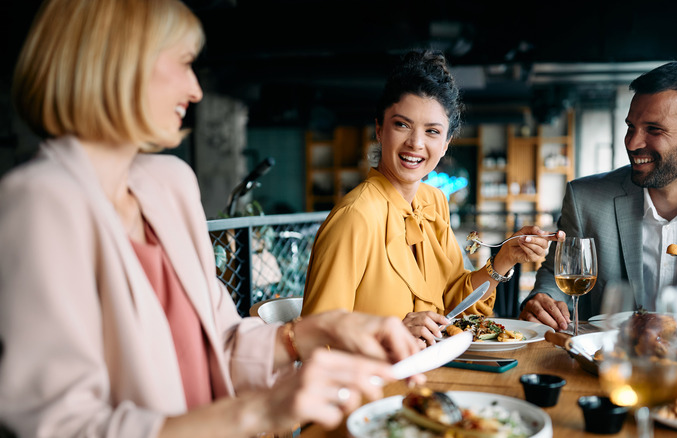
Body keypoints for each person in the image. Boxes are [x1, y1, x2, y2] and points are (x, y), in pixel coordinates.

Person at [0, 1, 424, 437]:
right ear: (118, 64)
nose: (196, 90)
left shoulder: (170, 184)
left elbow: (220, 344)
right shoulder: (39, 201)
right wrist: (257, 413)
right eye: (185, 63)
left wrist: (316, 330)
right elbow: (60, 427)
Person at [301, 49, 562, 346]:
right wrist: (390, 333)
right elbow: (312, 338)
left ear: (446, 143)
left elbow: (455, 305)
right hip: (374, 386)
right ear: (379, 129)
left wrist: (504, 259)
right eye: (402, 125)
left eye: (432, 131)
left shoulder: (433, 201)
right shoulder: (355, 218)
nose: (415, 143)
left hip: (434, 373)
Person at [519, 59, 677, 331]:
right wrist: (544, 299)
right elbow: (556, 276)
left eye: (653, 130)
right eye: (631, 127)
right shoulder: (585, 198)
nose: (632, 143)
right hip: (609, 363)